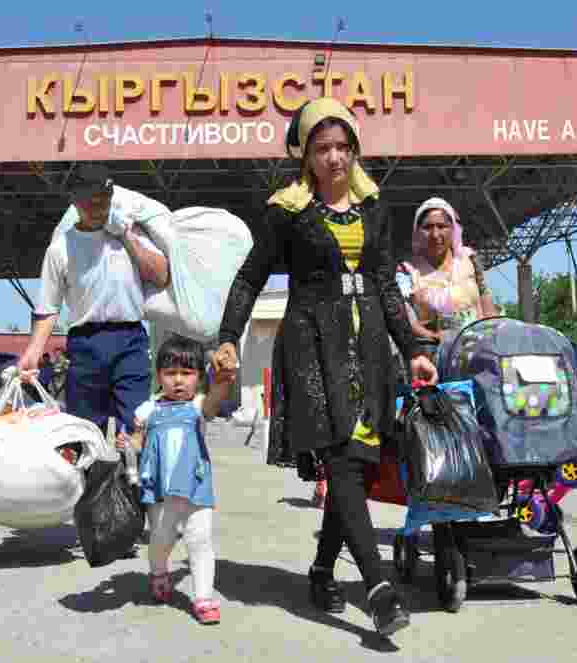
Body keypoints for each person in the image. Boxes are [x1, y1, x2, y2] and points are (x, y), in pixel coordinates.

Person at [211, 98, 437, 637]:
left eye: (342, 147)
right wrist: (227, 338)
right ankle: (380, 591)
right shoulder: (286, 211)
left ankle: (320, 569)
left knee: (357, 464)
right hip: (311, 344)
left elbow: (384, 285)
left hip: (369, 349)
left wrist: (412, 350)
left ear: (355, 150)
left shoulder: (375, 207)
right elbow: (249, 277)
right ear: (306, 156)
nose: (334, 157)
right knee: (339, 458)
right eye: (322, 148)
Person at [19, 164, 171, 436]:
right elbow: (48, 307)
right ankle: (92, 478)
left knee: (137, 426)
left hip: (130, 340)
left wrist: (126, 236)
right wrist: (33, 351)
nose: (99, 206)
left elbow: (161, 276)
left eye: (104, 200)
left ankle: (134, 477)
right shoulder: (60, 249)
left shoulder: (127, 232)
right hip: (85, 344)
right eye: (92, 201)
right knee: (86, 431)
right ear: (75, 201)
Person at [116, 336, 234, 625]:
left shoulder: (198, 406)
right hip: (159, 493)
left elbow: (214, 401)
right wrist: (128, 443)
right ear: (159, 376)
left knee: (200, 540)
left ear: (199, 377)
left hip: (195, 489)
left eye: (187, 373)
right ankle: (159, 572)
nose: (178, 381)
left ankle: (203, 597)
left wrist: (222, 380)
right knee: (160, 540)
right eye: (170, 373)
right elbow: (140, 442)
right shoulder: (148, 410)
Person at [397, 197, 498, 370]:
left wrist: (495, 335)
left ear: (453, 229)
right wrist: (435, 336)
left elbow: (487, 305)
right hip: (432, 356)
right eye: (427, 227)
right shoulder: (406, 271)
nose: (435, 234)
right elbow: (405, 320)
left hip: (478, 351)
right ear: (417, 232)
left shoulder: (471, 260)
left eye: (442, 226)